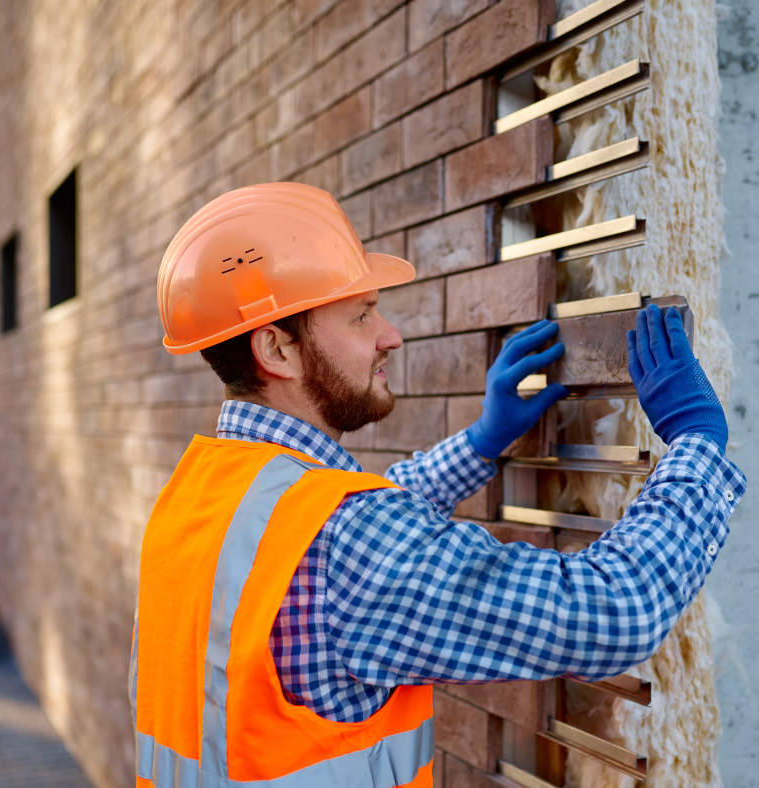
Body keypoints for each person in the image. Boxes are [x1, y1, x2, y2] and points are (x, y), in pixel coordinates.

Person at [130, 183, 745, 787]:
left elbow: (347, 530)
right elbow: (614, 614)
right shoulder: (349, 541)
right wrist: (696, 446)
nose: (390, 335)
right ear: (276, 348)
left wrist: (482, 440)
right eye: (361, 314)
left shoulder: (200, 497)